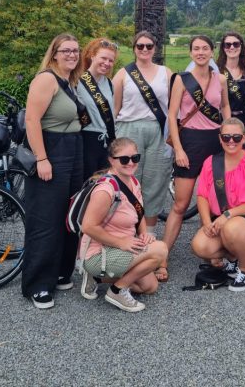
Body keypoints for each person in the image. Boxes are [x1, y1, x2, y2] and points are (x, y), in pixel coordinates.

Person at [22, 33, 85, 309]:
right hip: (52, 149)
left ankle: (60, 272)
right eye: (66, 50)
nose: (72, 54)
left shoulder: (69, 81)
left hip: (73, 148)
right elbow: (31, 119)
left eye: (76, 50)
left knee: (69, 215)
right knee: (46, 219)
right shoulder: (46, 79)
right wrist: (41, 158)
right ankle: (38, 284)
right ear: (55, 53)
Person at [162, 35, 230, 279]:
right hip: (190, 142)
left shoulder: (220, 79)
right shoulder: (181, 79)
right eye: (196, 49)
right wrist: (178, 149)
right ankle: (162, 256)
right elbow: (172, 116)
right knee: (180, 204)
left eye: (205, 48)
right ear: (190, 53)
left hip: (215, 140)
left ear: (212, 52)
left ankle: (214, 252)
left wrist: (229, 132)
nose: (200, 52)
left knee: (216, 200)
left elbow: (224, 109)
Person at [79, 138, 168, 312]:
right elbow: (88, 227)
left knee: (149, 286)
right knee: (160, 250)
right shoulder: (106, 189)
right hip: (99, 253)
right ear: (111, 160)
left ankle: (98, 279)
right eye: (124, 159)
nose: (131, 163)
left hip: (123, 248)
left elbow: (139, 212)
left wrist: (143, 233)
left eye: (135, 158)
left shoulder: (133, 182)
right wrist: (121, 242)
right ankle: (116, 290)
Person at [190, 117, 245, 292]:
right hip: (221, 220)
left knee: (232, 229)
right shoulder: (210, 162)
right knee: (200, 246)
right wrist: (206, 222)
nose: (231, 141)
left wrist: (227, 215)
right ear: (219, 138)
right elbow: (202, 195)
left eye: (236, 137)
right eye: (226, 137)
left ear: (244, 138)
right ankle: (233, 258)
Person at [113, 31, 173, 241]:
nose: (145, 49)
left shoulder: (166, 73)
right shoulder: (122, 74)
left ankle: (149, 234)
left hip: (158, 129)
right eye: (140, 46)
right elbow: (115, 108)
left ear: (155, 48)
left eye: (149, 46)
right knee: (128, 180)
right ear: (134, 48)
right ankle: (128, 231)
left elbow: (174, 107)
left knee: (156, 180)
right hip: (129, 129)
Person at [77, 38, 118, 180]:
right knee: (85, 184)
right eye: (103, 58)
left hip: (106, 142)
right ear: (92, 55)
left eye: (111, 61)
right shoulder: (78, 81)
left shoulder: (109, 84)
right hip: (86, 140)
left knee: (103, 185)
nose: (107, 63)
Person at [216, 31, 245, 129]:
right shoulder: (216, 70)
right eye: (228, 45)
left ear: (241, 47)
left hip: (244, 121)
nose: (232, 47)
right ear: (223, 48)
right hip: (220, 121)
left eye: (235, 44)